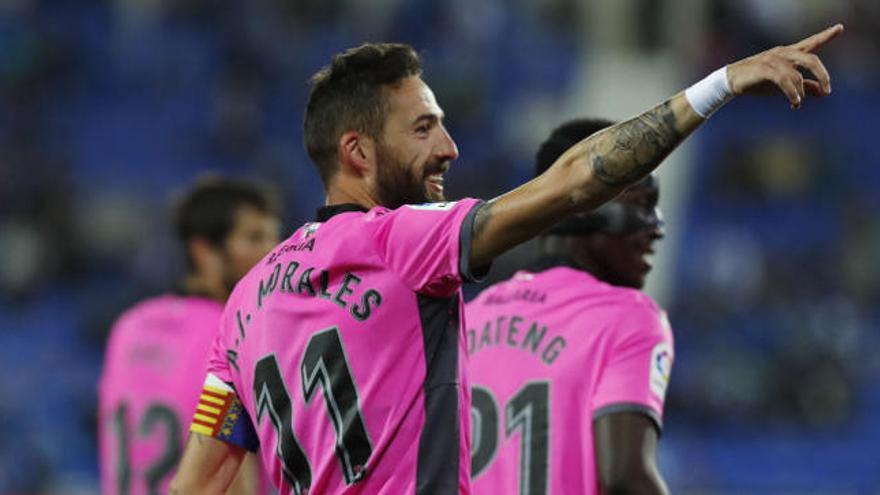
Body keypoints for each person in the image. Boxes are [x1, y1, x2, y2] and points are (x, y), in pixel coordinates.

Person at [171, 24, 843, 495]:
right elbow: (577, 181)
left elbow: (199, 478)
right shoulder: (404, 240)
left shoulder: (245, 302)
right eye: (424, 126)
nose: (451, 147)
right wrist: (720, 84)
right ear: (357, 152)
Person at [468, 118, 672, 495]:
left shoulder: (465, 322)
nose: (656, 226)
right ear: (581, 199)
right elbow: (624, 478)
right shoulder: (629, 317)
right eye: (643, 203)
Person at [98, 177, 282, 495]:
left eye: (273, 237)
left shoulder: (128, 327)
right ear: (204, 252)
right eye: (254, 237)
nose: (273, 251)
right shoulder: (233, 337)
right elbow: (230, 473)